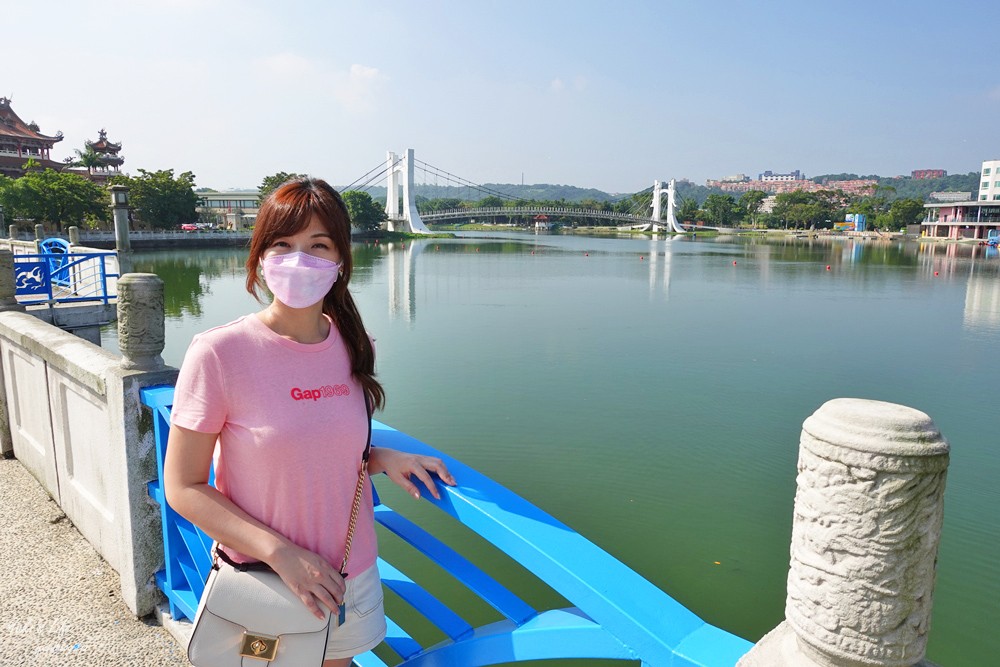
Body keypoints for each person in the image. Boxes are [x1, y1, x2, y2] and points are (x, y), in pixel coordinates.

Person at [164, 177, 456, 666]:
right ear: (259, 257)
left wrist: (381, 457)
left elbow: (325, 442)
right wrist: (282, 554)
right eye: (283, 245)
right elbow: (184, 486)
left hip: (348, 576)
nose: (300, 259)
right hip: (266, 576)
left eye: (318, 245)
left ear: (340, 262)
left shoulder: (353, 343)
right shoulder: (219, 353)